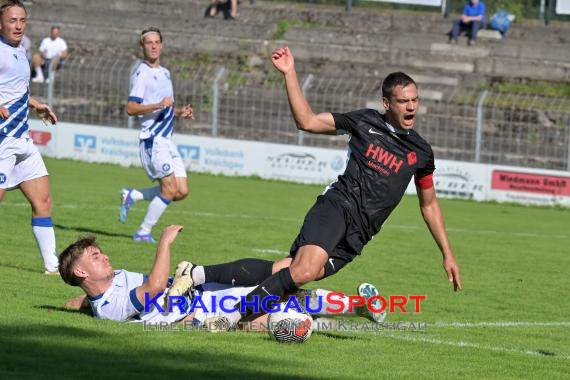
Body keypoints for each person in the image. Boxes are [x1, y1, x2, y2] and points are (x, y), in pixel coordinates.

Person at [174, 46, 462, 331]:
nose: (411, 107)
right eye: (403, 101)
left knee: (285, 271)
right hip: (337, 207)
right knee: (304, 271)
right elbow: (307, 121)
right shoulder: (364, 122)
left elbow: (429, 205)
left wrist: (447, 253)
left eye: (415, 100)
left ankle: (195, 273)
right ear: (387, 103)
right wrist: (289, 73)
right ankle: (230, 317)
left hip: (360, 233)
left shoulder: (421, 151)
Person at [59, 225, 385, 327]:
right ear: (81, 271)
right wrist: (165, 244)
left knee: (282, 282)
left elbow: (89, 299)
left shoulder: (103, 292)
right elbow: (155, 286)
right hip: (200, 310)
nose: (104, 256)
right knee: (279, 300)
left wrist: (75, 302)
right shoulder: (111, 305)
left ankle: (357, 306)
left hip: (200, 291)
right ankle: (355, 308)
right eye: (95, 257)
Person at [0, 0, 59, 274]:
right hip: (2, 139)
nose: (18, 25)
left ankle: (52, 266)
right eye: (12, 20)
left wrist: (36, 105)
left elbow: (15, 91)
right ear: (1, 22)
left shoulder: (21, 50)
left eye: (22, 20)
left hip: (21, 138)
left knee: (43, 201)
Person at [120, 27, 194, 243]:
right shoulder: (142, 74)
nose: (153, 46)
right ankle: (143, 231)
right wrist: (157, 104)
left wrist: (179, 112)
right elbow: (131, 108)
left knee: (181, 191)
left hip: (168, 140)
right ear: (142, 46)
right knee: (169, 188)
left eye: (156, 42)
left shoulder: (165, 73)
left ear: (161, 45)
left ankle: (133, 195)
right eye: (148, 42)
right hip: (153, 139)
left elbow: (165, 107)